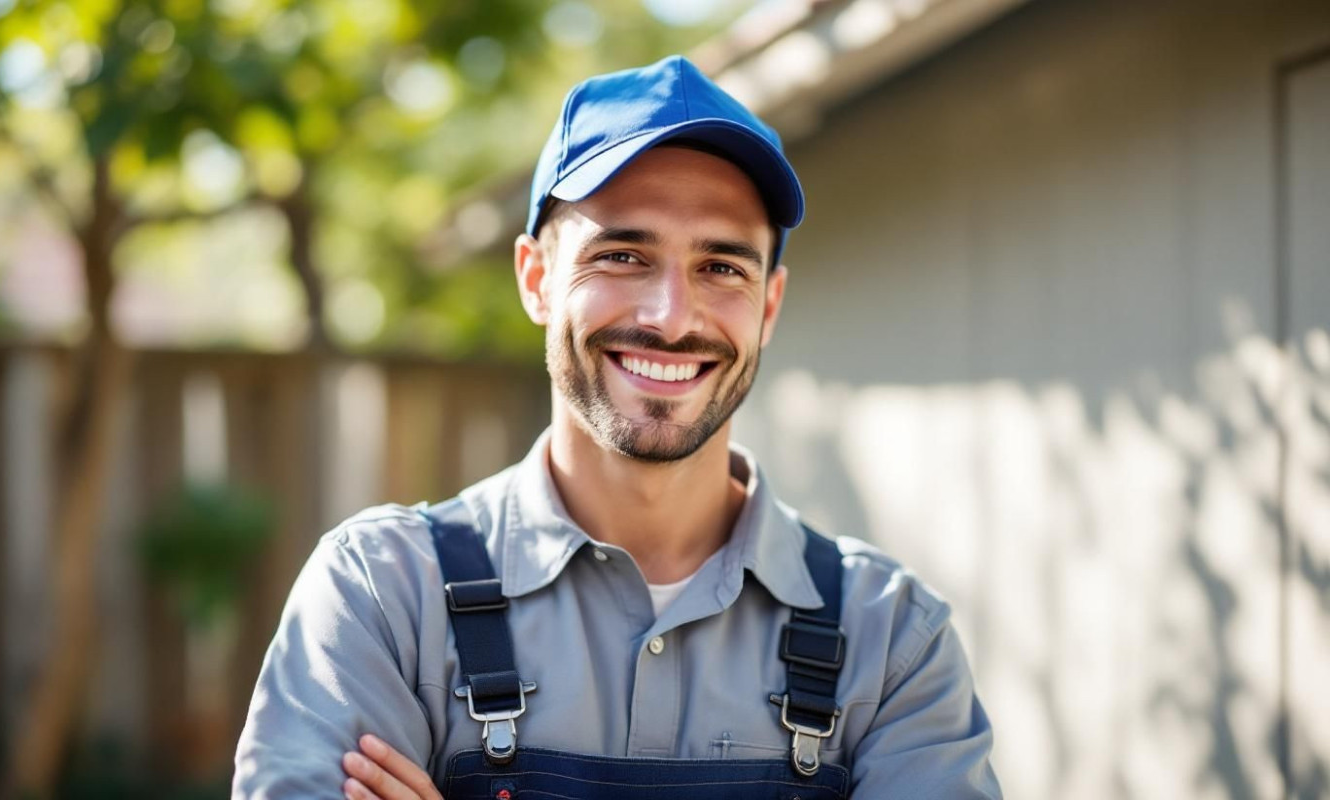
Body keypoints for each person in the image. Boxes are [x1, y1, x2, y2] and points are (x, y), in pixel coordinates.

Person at [232, 55, 1001, 800]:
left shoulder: (893, 640)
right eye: (624, 255)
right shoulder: (383, 597)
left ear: (768, 306)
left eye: (722, 267)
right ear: (536, 279)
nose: (671, 317)